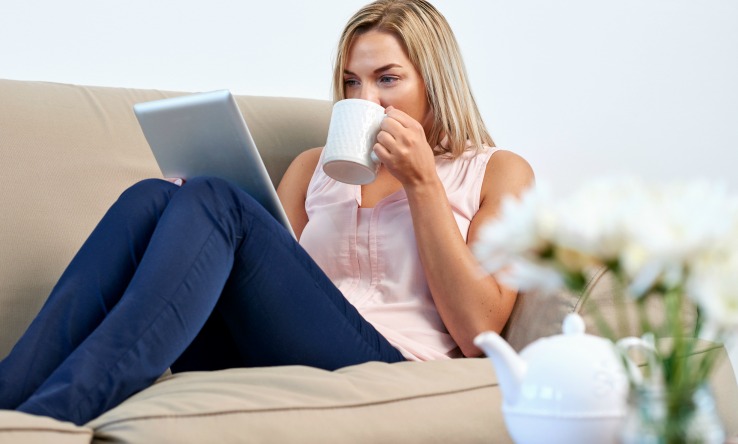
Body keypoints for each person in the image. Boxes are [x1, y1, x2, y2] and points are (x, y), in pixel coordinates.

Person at [0, 0, 534, 426]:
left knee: (216, 202)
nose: (365, 98)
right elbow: (268, 281)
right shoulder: (312, 168)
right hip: (273, 353)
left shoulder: (497, 171)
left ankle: (53, 416)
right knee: (154, 198)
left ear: (434, 85)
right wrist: (182, 216)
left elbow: (479, 332)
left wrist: (422, 184)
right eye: (352, 82)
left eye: (387, 79)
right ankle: (8, 400)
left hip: (390, 362)